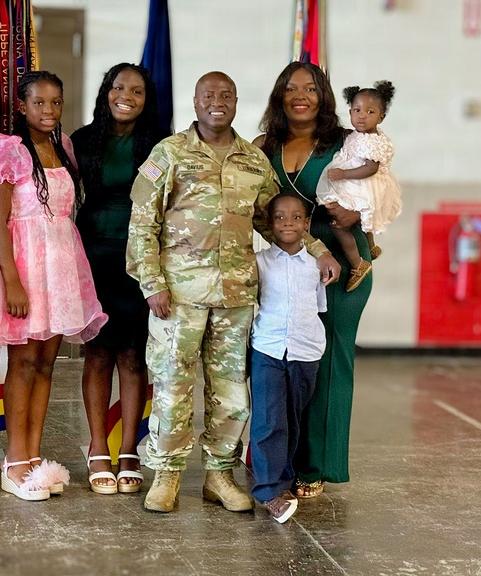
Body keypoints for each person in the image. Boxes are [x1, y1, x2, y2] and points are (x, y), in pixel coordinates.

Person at [127, 71, 339, 514]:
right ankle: (166, 475)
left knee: (232, 393)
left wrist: (317, 249)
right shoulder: (169, 154)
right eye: (209, 95)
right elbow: (143, 224)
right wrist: (152, 284)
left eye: (226, 96)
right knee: (172, 385)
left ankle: (219, 475)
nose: (217, 102)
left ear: (237, 102)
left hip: (236, 297)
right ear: (195, 101)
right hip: (178, 296)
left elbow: (276, 220)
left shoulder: (252, 161)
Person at [0, 70, 107, 501]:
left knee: (48, 364)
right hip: (25, 266)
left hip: (62, 266)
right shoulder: (7, 150)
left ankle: (34, 456)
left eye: (55, 103)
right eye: (38, 103)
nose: (48, 111)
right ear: (21, 106)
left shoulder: (63, 147)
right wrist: (10, 280)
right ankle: (13, 460)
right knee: (24, 363)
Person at [253, 61, 373, 499]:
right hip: (285, 263)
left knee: (327, 362)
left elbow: (383, 186)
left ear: (323, 96)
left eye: (310, 88)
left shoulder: (346, 142)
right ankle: (272, 462)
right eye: (290, 88)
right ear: (279, 96)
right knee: (279, 362)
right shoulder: (264, 146)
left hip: (340, 259)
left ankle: (316, 464)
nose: (299, 95)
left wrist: (361, 214)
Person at [71, 63, 169, 495]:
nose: (125, 95)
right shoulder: (82, 140)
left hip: (141, 258)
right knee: (97, 354)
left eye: (136, 90)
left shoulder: (160, 145)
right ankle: (97, 447)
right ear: (106, 92)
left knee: (133, 356)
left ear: (147, 99)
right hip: (93, 254)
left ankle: (128, 449)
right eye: (118, 87)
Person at [248, 191, 327, 523]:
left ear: (307, 224)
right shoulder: (260, 263)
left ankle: (283, 478)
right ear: (269, 223)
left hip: (305, 351)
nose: (288, 223)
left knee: (292, 419)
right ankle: (269, 491)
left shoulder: (316, 267)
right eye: (279, 217)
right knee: (268, 420)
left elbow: (318, 307)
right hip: (267, 348)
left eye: (296, 217)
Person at [316, 80, 402, 291]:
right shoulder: (358, 135)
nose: (362, 115)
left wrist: (344, 173)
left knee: (340, 224)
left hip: (364, 183)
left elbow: (370, 168)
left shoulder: (373, 141)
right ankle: (371, 246)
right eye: (357, 110)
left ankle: (358, 263)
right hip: (358, 182)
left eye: (370, 111)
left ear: (381, 116)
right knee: (364, 216)